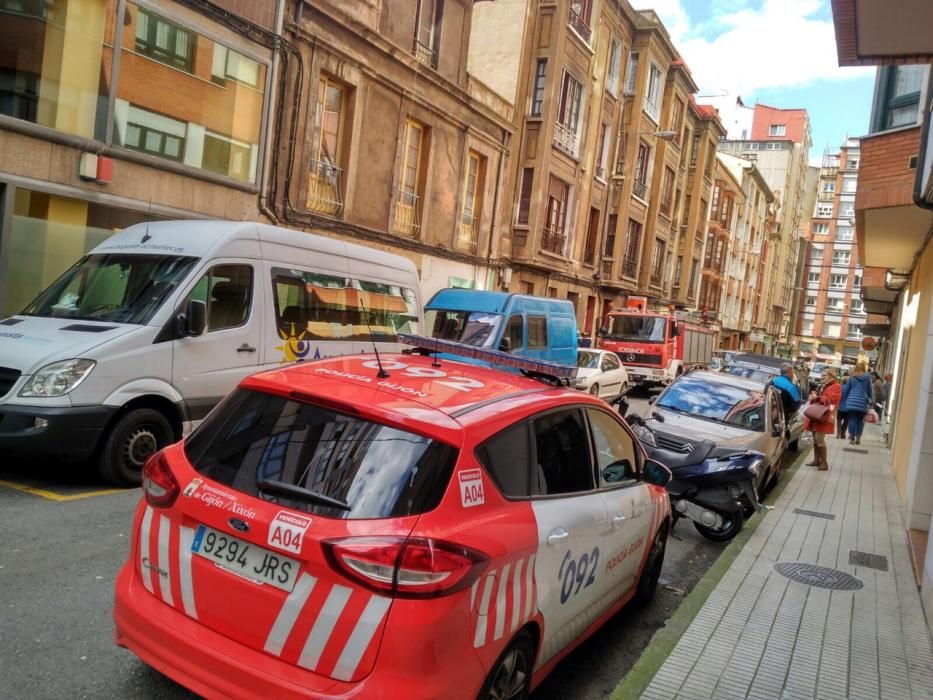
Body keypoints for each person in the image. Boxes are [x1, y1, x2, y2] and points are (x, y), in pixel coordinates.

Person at [806, 367, 842, 471]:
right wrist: (814, 396)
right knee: (815, 438)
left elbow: (832, 400)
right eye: (821, 376)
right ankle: (817, 460)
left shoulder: (836, 386)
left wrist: (817, 398)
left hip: (825, 415)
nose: (822, 377)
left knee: (819, 438)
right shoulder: (823, 385)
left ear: (831, 376)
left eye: (824, 376)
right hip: (817, 414)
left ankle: (824, 463)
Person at [840, 361, 873, 445]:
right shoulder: (867, 378)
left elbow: (847, 390)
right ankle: (858, 437)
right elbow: (870, 390)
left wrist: (847, 399)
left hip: (851, 401)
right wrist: (870, 400)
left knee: (852, 419)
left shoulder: (852, 378)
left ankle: (852, 437)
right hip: (862, 401)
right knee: (860, 420)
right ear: (864, 369)